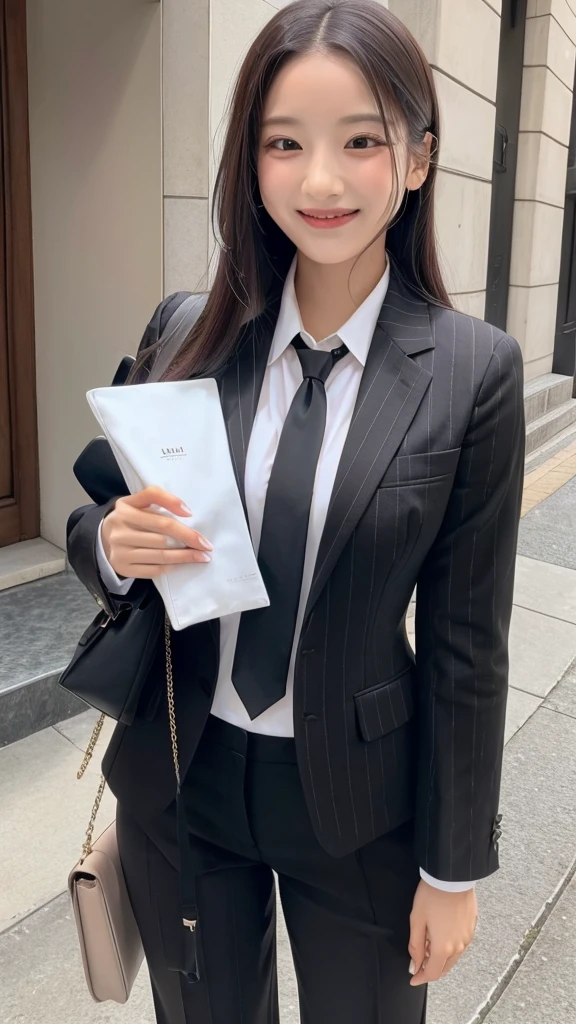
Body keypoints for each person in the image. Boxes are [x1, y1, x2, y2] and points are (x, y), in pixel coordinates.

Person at [67, 2, 525, 1021]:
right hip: (182, 777)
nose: (320, 181)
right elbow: (99, 515)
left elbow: (466, 641)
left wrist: (454, 869)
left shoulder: (469, 372)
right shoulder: (191, 327)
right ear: (252, 161)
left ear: (416, 159)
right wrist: (110, 542)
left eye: (361, 140)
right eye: (285, 144)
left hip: (357, 801)